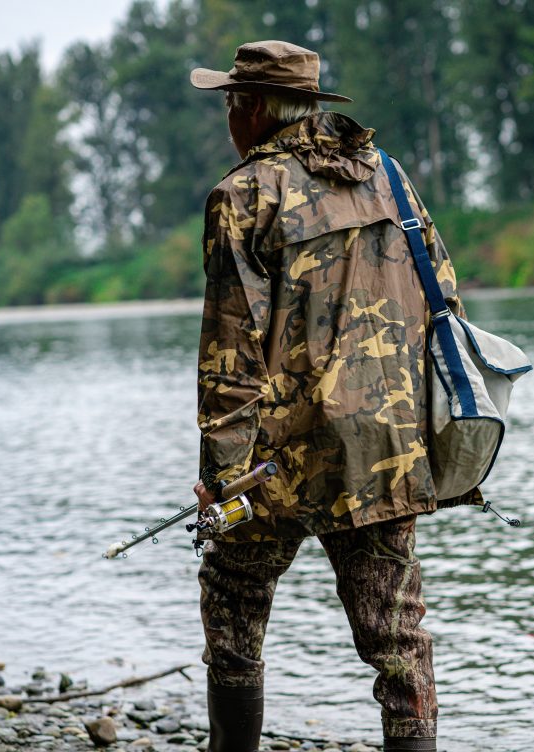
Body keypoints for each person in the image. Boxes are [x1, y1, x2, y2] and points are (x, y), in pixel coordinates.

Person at [189, 40, 474, 752]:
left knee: (232, 605)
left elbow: (230, 354)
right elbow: (446, 303)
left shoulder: (242, 196)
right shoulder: (391, 178)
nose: (229, 116)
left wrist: (223, 479)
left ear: (254, 108)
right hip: (384, 446)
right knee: (399, 641)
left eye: (231, 101)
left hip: (274, 462)